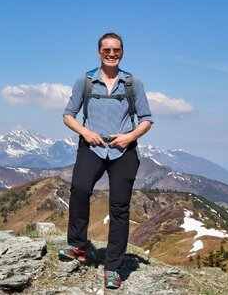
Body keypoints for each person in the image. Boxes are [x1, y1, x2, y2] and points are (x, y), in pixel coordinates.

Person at [58, 32, 153, 290]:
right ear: (99, 52)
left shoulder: (132, 83)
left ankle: (113, 267)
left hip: (124, 149)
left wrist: (129, 137)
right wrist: (86, 133)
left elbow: (146, 119)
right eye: (107, 50)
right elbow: (68, 115)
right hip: (92, 146)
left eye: (116, 50)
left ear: (122, 52)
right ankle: (78, 246)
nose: (112, 54)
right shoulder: (86, 81)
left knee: (119, 207)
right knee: (79, 188)